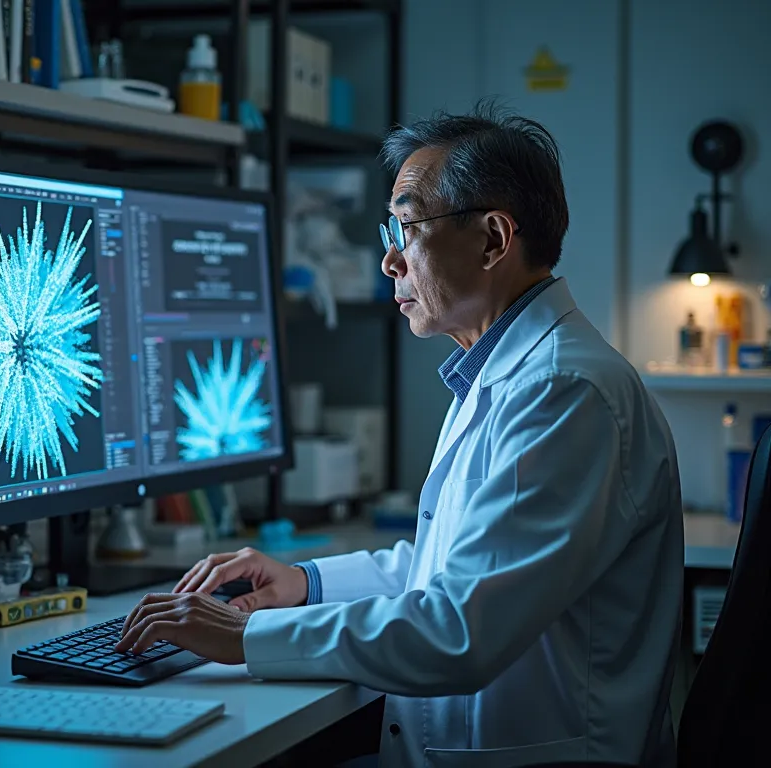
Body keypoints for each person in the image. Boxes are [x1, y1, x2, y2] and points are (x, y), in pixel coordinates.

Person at [116, 101, 684, 768]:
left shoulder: (564, 392)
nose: (389, 260)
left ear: (493, 240)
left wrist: (249, 634)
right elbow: (456, 570)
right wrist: (305, 583)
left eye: (408, 228)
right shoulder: (505, 371)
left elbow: (459, 630)